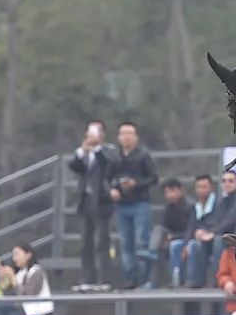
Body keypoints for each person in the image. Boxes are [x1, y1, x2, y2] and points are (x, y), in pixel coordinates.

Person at [110, 121, 158, 289]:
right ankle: (130, 279)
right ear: (118, 137)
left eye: (130, 134)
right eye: (123, 134)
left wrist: (136, 183)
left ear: (136, 137)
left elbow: (154, 178)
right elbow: (107, 177)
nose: (126, 137)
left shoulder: (144, 155)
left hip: (140, 202)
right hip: (121, 204)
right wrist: (113, 189)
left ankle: (144, 279)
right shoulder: (114, 156)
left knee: (141, 242)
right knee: (125, 244)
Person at [68, 121, 117, 288]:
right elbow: (74, 166)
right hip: (86, 200)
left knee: (103, 241)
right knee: (85, 242)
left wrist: (96, 149)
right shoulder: (85, 153)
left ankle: (106, 278)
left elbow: (107, 164)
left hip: (102, 201)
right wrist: (83, 151)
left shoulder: (108, 151)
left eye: (94, 134)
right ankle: (88, 278)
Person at [184, 171, 236, 288]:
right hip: (222, 235)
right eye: (224, 181)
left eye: (230, 181)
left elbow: (231, 220)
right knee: (197, 244)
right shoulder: (222, 200)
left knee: (217, 240)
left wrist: (212, 233)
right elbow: (213, 220)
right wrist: (204, 231)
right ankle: (196, 282)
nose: (227, 184)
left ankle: (218, 280)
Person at [140, 178, 193, 289]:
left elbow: (191, 229)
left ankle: (152, 252)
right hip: (170, 239)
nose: (169, 195)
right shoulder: (168, 208)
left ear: (180, 190)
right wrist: (166, 238)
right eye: (167, 192)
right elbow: (164, 227)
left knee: (168, 246)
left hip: (186, 239)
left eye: (172, 191)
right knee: (158, 234)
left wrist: (173, 237)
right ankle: (153, 281)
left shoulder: (190, 206)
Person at [169, 175, 217, 288]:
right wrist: (185, 244)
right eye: (198, 187)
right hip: (196, 238)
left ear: (211, 188)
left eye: (204, 187)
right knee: (176, 245)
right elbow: (191, 227)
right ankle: (177, 280)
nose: (201, 190)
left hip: (210, 241)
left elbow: (219, 222)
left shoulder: (218, 203)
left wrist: (205, 231)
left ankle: (194, 281)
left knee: (193, 245)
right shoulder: (196, 206)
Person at [0, 243, 54, 315]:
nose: (15, 259)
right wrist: (4, 280)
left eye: (17, 254)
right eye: (13, 256)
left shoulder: (36, 271)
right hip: (23, 311)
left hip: (37, 313)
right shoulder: (19, 273)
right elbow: (10, 295)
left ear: (28, 255)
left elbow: (27, 295)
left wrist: (12, 278)